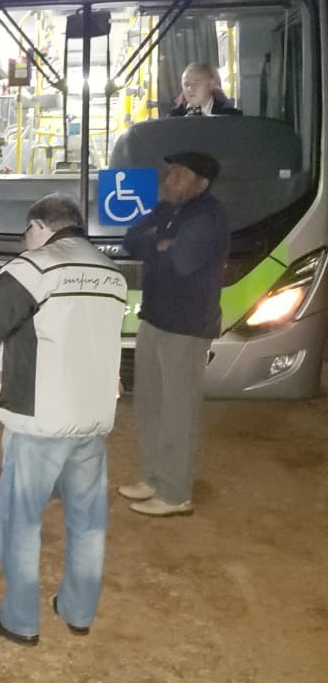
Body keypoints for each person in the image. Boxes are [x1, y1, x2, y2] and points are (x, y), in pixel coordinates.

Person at [0, 194, 127, 645]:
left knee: (20, 521)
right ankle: (77, 611)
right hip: (94, 417)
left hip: (41, 418)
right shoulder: (112, 273)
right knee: (88, 521)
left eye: (25, 235)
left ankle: (20, 620)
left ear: (38, 226)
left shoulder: (34, 267)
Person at [119, 151, 230, 517]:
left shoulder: (208, 217)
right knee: (149, 405)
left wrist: (159, 246)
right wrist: (161, 244)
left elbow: (182, 262)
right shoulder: (167, 209)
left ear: (201, 183)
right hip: (154, 318)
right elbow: (130, 239)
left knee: (178, 412)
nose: (168, 179)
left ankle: (175, 493)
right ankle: (154, 478)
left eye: (178, 175)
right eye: (169, 173)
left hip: (187, 326)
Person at [168, 63, 241, 117]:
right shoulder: (172, 118)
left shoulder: (231, 117)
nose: (190, 88)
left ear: (211, 84)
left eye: (196, 83)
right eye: (186, 84)